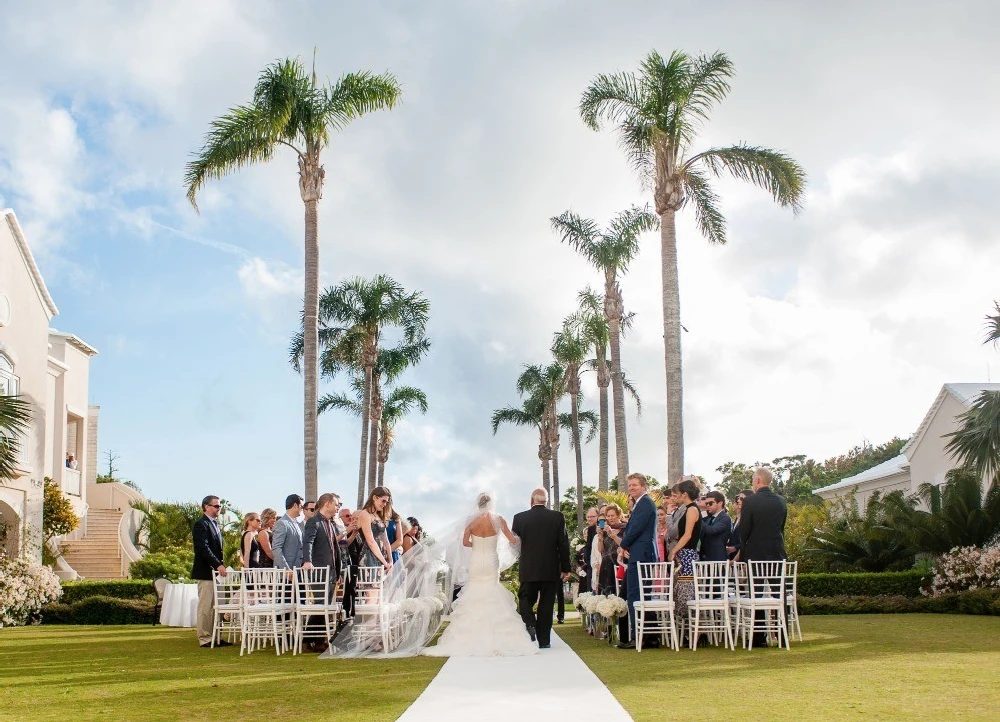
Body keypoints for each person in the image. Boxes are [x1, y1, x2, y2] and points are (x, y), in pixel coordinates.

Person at [423, 492, 538, 657]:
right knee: (492, 590)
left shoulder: (471, 520)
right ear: (492, 503)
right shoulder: (499, 519)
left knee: (475, 591)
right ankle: (497, 635)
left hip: (476, 560)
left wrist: (476, 544)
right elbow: (512, 540)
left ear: (478, 504)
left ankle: (470, 636)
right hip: (492, 560)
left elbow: (464, 542)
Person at [511, 488, 570, 650]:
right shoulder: (557, 517)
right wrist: (566, 568)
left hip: (528, 568)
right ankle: (544, 641)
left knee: (525, 599)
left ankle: (529, 623)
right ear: (546, 501)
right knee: (546, 604)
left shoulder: (519, 518)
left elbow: (514, 545)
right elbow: (563, 544)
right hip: (550, 568)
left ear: (532, 500)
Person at [617, 473, 658, 650]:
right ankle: (647, 636)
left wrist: (622, 545)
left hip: (642, 554)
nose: (632, 488)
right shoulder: (640, 504)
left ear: (643, 486)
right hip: (638, 552)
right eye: (630, 485)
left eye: (635, 485)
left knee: (636, 595)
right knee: (639, 595)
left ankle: (639, 636)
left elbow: (636, 529)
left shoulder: (646, 503)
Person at [301, 493, 343, 652]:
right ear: (327, 504)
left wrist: (338, 572)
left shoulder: (330, 524)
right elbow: (308, 542)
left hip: (332, 572)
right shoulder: (314, 521)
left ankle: (318, 641)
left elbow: (334, 550)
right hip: (318, 571)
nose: (338, 506)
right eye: (337, 504)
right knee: (320, 606)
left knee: (324, 606)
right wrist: (307, 560)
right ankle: (306, 641)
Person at [191, 494, 230, 648]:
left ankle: (216, 636)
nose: (219, 508)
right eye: (216, 506)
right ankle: (205, 638)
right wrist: (217, 565)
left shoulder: (215, 524)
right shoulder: (201, 525)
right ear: (206, 507)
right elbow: (202, 548)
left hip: (216, 573)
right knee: (206, 607)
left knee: (217, 606)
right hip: (206, 571)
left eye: (219, 506)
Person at [669, 478, 702, 629]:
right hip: (684, 553)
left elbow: (688, 534)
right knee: (679, 591)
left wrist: (674, 550)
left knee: (686, 592)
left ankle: (693, 629)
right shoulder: (687, 509)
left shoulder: (692, 509)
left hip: (688, 555)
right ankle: (685, 629)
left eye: (679, 493)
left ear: (685, 494)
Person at [595, 504, 629, 642]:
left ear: (619, 515)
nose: (610, 518)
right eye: (608, 516)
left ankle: (621, 629)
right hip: (606, 565)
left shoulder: (625, 528)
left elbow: (624, 544)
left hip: (618, 563)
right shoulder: (605, 529)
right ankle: (608, 630)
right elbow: (601, 550)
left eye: (612, 516)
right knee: (607, 595)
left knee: (618, 595)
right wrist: (600, 536)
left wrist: (613, 535)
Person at [740, 468, 788, 561]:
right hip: (777, 553)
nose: (752, 483)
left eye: (753, 480)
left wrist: (743, 552)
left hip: (756, 554)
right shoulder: (781, 501)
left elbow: (744, 530)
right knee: (776, 576)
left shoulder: (749, 501)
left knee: (757, 576)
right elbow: (781, 528)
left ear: (757, 480)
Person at [356, 486, 393, 571]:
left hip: (381, 557)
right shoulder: (365, 514)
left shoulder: (380, 516)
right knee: (371, 584)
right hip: (369, 556)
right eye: (383, 501)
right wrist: (385, 563)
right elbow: (370, 541)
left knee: (380, 584)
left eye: (386, 502)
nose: (384, 504)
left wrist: (390, 561)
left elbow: (386, 541)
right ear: (374, 497)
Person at [271, 494, 304, 569]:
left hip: (297, 571)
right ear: (295, 505)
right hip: (285, 574)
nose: (302, 509)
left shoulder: (298, 524)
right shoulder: (282, 523)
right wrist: (286, 570)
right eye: (301, 506)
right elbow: (276, 548)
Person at [699, 490, 732, 562]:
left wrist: (697, 518)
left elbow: (712, 530)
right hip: (706, 558)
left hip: (718, 559)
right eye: (706, 503)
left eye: (710, 503)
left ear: (720, 503)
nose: (707, 505)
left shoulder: (725, 518)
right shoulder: (709, 518)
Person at [577, 507, 598, 602]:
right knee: (590, 592)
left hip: (600, 564)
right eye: (588, 517)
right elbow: (588, 548)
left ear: (598, 516)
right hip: (590, 566)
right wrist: (589, 564)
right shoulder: (590, 529)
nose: (589, 519)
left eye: (592, 517)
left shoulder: (602, 528)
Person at [726, 490, 753, 560]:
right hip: (734, 557)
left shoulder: (751, 518)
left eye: (741, 498)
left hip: (745, 558)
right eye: (738, 499)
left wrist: (735, 548)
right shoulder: (738, 518)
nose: (738, 501)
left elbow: (750, 540)